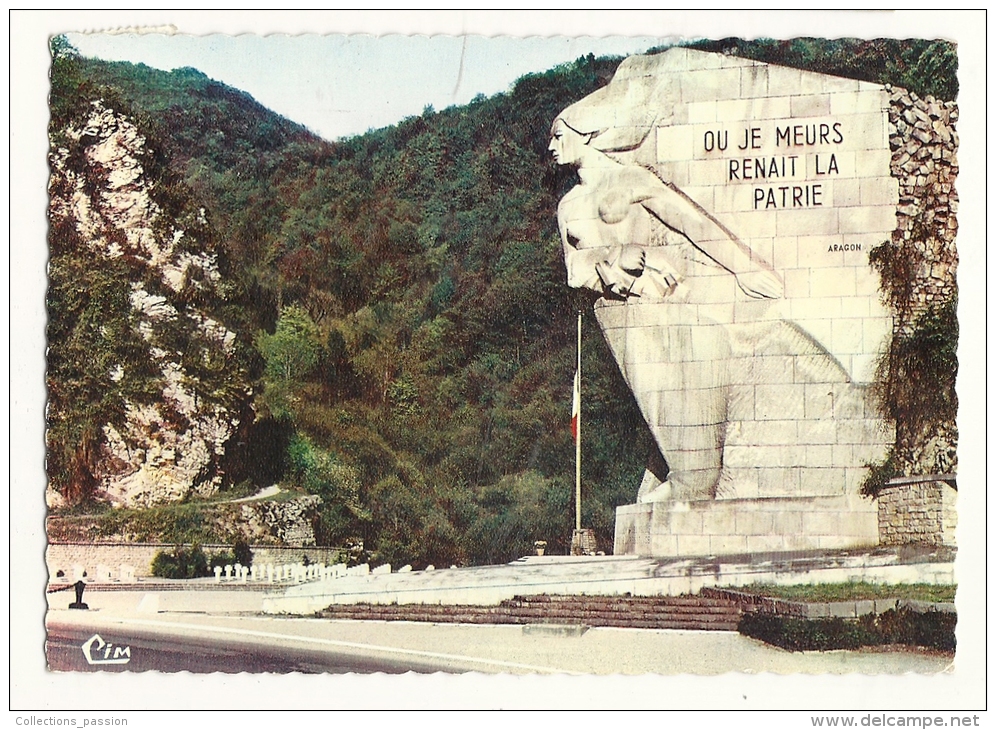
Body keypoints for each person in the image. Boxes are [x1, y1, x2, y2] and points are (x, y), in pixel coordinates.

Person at [550, 116, 782, 502]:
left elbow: (692, 223)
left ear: (586, 132)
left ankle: (690, 480)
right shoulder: (569, 205)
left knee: (679, 400)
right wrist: (616, 257)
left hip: (664, 308)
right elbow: (574, 269)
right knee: (657, 401)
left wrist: (744, 269)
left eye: (559, 136)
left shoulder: (632, 180)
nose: (552, 147)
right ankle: (681, 475)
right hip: (618, 312)